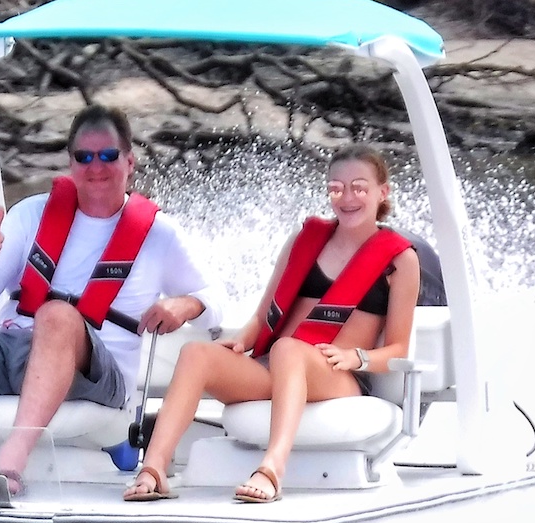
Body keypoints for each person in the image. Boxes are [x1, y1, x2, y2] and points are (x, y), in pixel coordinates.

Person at [0, 104, 222, 495]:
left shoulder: (160, 234)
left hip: (99, 374)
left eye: (107, 156)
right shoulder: (30, 215)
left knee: (57, 316)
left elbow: (214, 300)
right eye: (83, 157)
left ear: (130, 161)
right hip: (12, 349)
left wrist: (185, 305)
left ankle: (10, 466)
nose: (95, 166)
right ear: (70, 164)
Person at [122, 144, 421, 504]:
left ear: (382, 192)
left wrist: (358, 358)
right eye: (337, 188)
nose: (347, 197)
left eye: (359, 187)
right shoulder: (303, 240)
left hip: (338, 375)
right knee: (196, 354)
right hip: (279, 364)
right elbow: (265, 314)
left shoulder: (400, 261)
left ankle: (272, 470)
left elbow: (399, 350)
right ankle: (154, 469)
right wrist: (241, 342)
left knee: (288, 349)